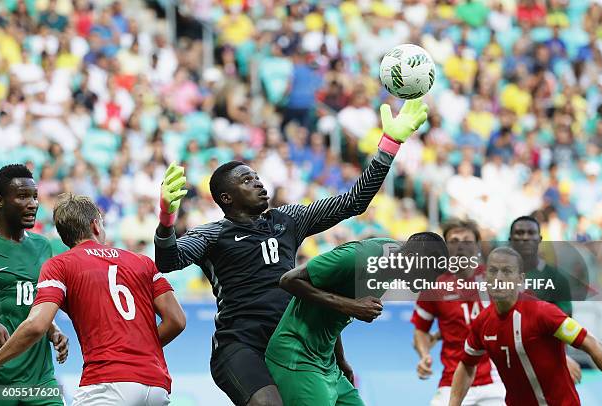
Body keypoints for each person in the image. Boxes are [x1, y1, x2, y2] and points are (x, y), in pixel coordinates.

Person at [154, 100, 429, 406]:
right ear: (226, 197)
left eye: (257, 175)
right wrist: (166, 220)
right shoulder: (212, 233)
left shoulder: (288, 220)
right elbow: (168, 260)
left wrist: (389, 145)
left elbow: (354, 202)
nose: (257, 181)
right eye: (246, 180)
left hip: (292, 343)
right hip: (240, 345)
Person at [0, 194, 186, 405]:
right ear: (95, 225)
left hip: (106, 383)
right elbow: (177, 320)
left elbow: (36, 325)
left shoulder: (60, 265)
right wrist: (139, 350)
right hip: (156, 385)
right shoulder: (142, 262)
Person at [266, 232, 449, 405]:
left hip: (327, 362)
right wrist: (351, 306)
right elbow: (288, 280)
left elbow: (332, 314)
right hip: (297, 357)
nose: (430, 282)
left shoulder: (392, 267)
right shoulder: (358, 257)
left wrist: (341, 359)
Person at [449, 247, 602, 406]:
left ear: (520, 279)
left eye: (507, 271)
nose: (499, 278)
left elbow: (591, 343)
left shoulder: (544, 312)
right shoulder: (482, 323)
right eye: (493, 271)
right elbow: (466, 364)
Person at [0, 164, 68, 406]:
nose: (32, 204)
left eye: (34, 196)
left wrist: (52, 329)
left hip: (40, 380)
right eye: (22, 196)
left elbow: (36, 303)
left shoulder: (43, 246)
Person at [411, 219, 505, 405]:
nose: (460, 246)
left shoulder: (496, 279)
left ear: (477, 246)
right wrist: (424, 356)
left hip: (494, 381)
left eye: (467, 241)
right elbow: (421, 330)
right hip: (452, 381)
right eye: (454, 241)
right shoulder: (434, 286)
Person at [509, 216, 572, 315]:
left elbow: (565, 321)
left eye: (531, 233)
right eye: (520, 233)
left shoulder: (558, 279)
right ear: (510, 239)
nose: (525, 237)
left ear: (540, 239)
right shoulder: (496, 277)